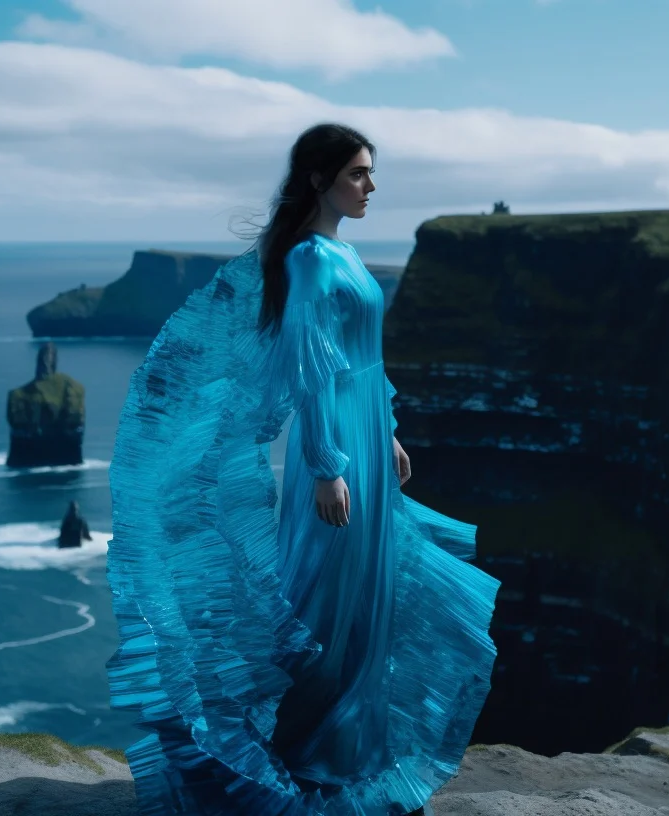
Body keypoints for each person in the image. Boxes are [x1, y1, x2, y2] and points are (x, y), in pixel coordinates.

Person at [104, 123, 500, 816]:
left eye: (371, 173)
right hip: (339, 446)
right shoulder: (311, 261)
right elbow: (311, 370)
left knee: (369, 599)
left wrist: (392, 432)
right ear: (319, 179)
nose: (371, 186)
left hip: (368, 437)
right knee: (324, 599)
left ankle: (350, 753)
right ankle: (303, 757)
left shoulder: (342, 253)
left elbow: (363, 360)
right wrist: (326, 466)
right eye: (357, 174)